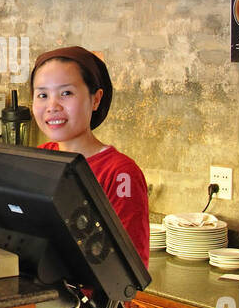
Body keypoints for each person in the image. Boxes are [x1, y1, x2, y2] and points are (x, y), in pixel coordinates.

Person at [29, 46, 150, 266]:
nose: (52, 106)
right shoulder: (41, 157)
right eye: (42, 95)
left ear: (96, 99)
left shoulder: (121, 173)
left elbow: (131, 269)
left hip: (88, 301)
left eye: (66, 93)